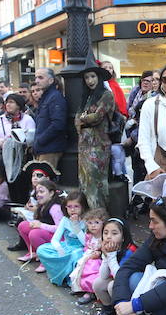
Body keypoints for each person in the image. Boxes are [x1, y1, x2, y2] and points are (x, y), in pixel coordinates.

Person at [74, 61, 117, 210]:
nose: (90, 81)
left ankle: (100, 216)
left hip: (99, 145)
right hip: (84, 145)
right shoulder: (86, 97)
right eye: (87, 77)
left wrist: (83, 118)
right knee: (84, 181)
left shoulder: (107, 95)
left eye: (92, 76)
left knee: (97, 182)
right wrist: (84, 118)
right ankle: (90, 217)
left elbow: (97, 117)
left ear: (99, 77)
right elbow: (77, 119)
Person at [35, 191, 89, 283]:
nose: (72, 210)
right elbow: (55, 239)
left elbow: (85, 242)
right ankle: (58, 274)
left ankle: (70, 278)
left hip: (80, 249)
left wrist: (76, 226)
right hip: (66, 246)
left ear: (83, 207)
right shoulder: (65, 220)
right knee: (41, 250)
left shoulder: (86, 220)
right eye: (69, 207)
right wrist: (59, 249)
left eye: (76, 206)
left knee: (75, 256)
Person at [16, 179, 64, 268]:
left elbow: (60, 229)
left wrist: (40, 225)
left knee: (34, 233)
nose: (38, 195)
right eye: (37, 192)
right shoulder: (42, 206)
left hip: (58, 239)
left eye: (41, 192)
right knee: (23, 225)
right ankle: (33, 252)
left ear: (51, 193)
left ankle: (46, 258)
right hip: (46, 233)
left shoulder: (55, 208)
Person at [33, 68, 68, 168]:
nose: (37, 81)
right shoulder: (46, 97)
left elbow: (58, 124)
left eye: (40, 77)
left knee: (44, 181)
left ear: (51, 80)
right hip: (44, 148)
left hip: (50, 149)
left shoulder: (55, 97)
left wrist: (40, 140)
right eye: (36, 77)